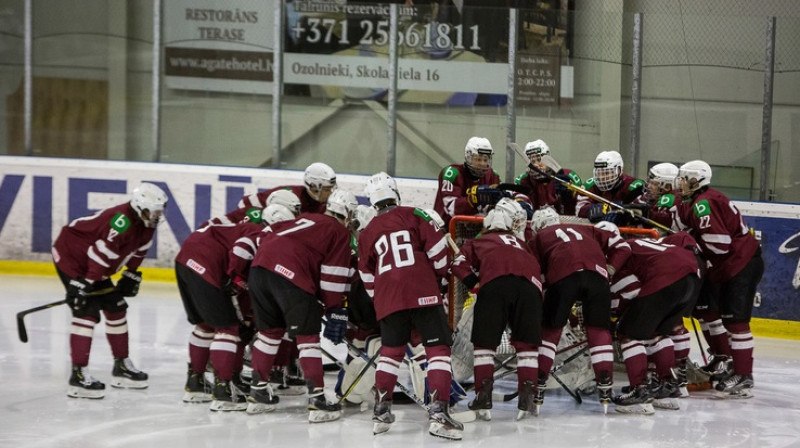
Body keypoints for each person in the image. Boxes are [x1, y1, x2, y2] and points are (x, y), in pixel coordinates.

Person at [358, 172, 463, 440]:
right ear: (395, 192)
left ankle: (381, 413)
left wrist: (381, 297)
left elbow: (367, 275)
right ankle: (439, 414)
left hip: (388, 297)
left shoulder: (367, 230)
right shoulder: (416, 213)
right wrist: (437, 278)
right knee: (437, 350)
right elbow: (439, 249)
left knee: (390, 353)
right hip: (422, 289)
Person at [246, 189, 357, 422]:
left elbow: (269, 236)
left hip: (258, 270)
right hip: (289, 275)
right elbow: (333, 274)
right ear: (347, 214)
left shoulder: (305, 218)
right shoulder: (338, 231)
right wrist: (334, 308)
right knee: (308, 338)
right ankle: (317, 399)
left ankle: (258, 393)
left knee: (269, 334)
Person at [176, 202, 298, 411]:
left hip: (186, 259)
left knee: (207, 324)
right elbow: (241, 249)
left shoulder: (247, 227)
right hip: (207, 264)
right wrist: (236, 277)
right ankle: (223, 391)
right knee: (228, 328)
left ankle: (197, 382)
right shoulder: (259, 231)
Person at [52, 182, 167, 399]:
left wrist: (131, 273)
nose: (157, 216)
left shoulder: (147, 223)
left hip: (95, 265)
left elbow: (139, 250)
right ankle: (78, 375)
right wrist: (85, 283)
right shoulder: (121, 221)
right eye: (154, 211)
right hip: (73, 257)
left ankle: (121, 366)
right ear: (139, 206)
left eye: (159, 211)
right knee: (85, 311)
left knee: (116, 308)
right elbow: (100, 253)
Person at [527, 207, 632, 413]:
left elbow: (537, 274)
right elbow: (623, 247)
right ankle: (604, 385)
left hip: (563, 277)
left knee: (551, 329)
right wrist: (609, 269)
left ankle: (538, 384)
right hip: (597, 277)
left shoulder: (538, 238)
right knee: (598, 330)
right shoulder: (585, 228)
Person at [450, 198, 544, 421]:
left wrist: (474, 283)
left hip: (495, 286)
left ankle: (483, 399)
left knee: (485, 346)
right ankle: (528, 400)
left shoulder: (479, 241)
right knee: (527, 348)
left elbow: (456, 265)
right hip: (531, 290)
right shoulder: (523, 244)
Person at [676, 160, 764, 398]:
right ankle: (735, 367)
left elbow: (720, 244)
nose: (681, 183)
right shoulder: (699, 201)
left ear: (697, 180)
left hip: (741, 264)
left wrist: (692, 243)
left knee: (736, 323)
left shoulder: (704, 204)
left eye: (685, 178)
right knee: (726, 320)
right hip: (733, 266)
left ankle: (744, 376)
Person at [609, 230, 702, 414]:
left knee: (629, 334)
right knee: (658, 332)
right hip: (692, 276)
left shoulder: (618, 255)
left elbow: (627, 291)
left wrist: (613, 314)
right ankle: (668, 388)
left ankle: (639, 391)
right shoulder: (638, 245)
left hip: (667, 277)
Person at [203, 162, 335, 227]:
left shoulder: (325, 208)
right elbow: (245, 204)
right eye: (327, 189)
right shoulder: (288, 195)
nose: (331, 193)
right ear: (313, 186)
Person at [433, 136, 503, 228]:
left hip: (478, 231)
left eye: (485, 160)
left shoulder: (493, 176)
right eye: (478, 159)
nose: (482, 164)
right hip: (447, 231)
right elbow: (451, 208)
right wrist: (472, 199)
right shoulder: (451, 173)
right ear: (468, 157)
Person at [514, 139, 582, 215]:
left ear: (548, 158)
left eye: (538, 159)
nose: (535, 164)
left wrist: (570, 197)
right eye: (531, 161)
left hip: (566, 224)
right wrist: (523, 207)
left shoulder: (568, 176)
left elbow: (581, 206)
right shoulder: (523, 180)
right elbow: (521, 203)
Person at [575, 150, 645, 225]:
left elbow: (640, 211)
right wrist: (589, 210)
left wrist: (620, 212)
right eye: (599, 173)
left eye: (606, 173)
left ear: (619, 170)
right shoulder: (590, 185)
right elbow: (579, 209)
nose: (602, 177)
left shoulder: (633, 186)